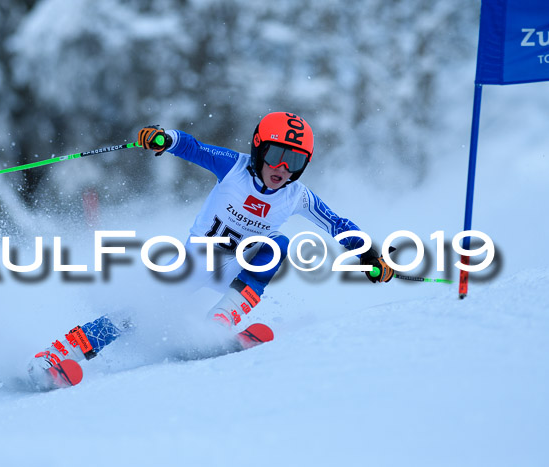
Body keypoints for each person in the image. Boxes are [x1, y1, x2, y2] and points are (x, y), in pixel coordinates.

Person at [28, 112, 393, 389]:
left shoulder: (297, 196)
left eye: (294, 161)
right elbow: (191, 146)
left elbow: (337, 224)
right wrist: (162, 138)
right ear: (259, 149)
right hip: (197, 262)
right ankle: (58, 354)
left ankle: (217, 325)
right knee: (140, 315)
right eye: (277, 155)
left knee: (277, 243)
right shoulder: (233, 167)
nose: (282, 168)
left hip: (239, 267)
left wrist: (368, 255)